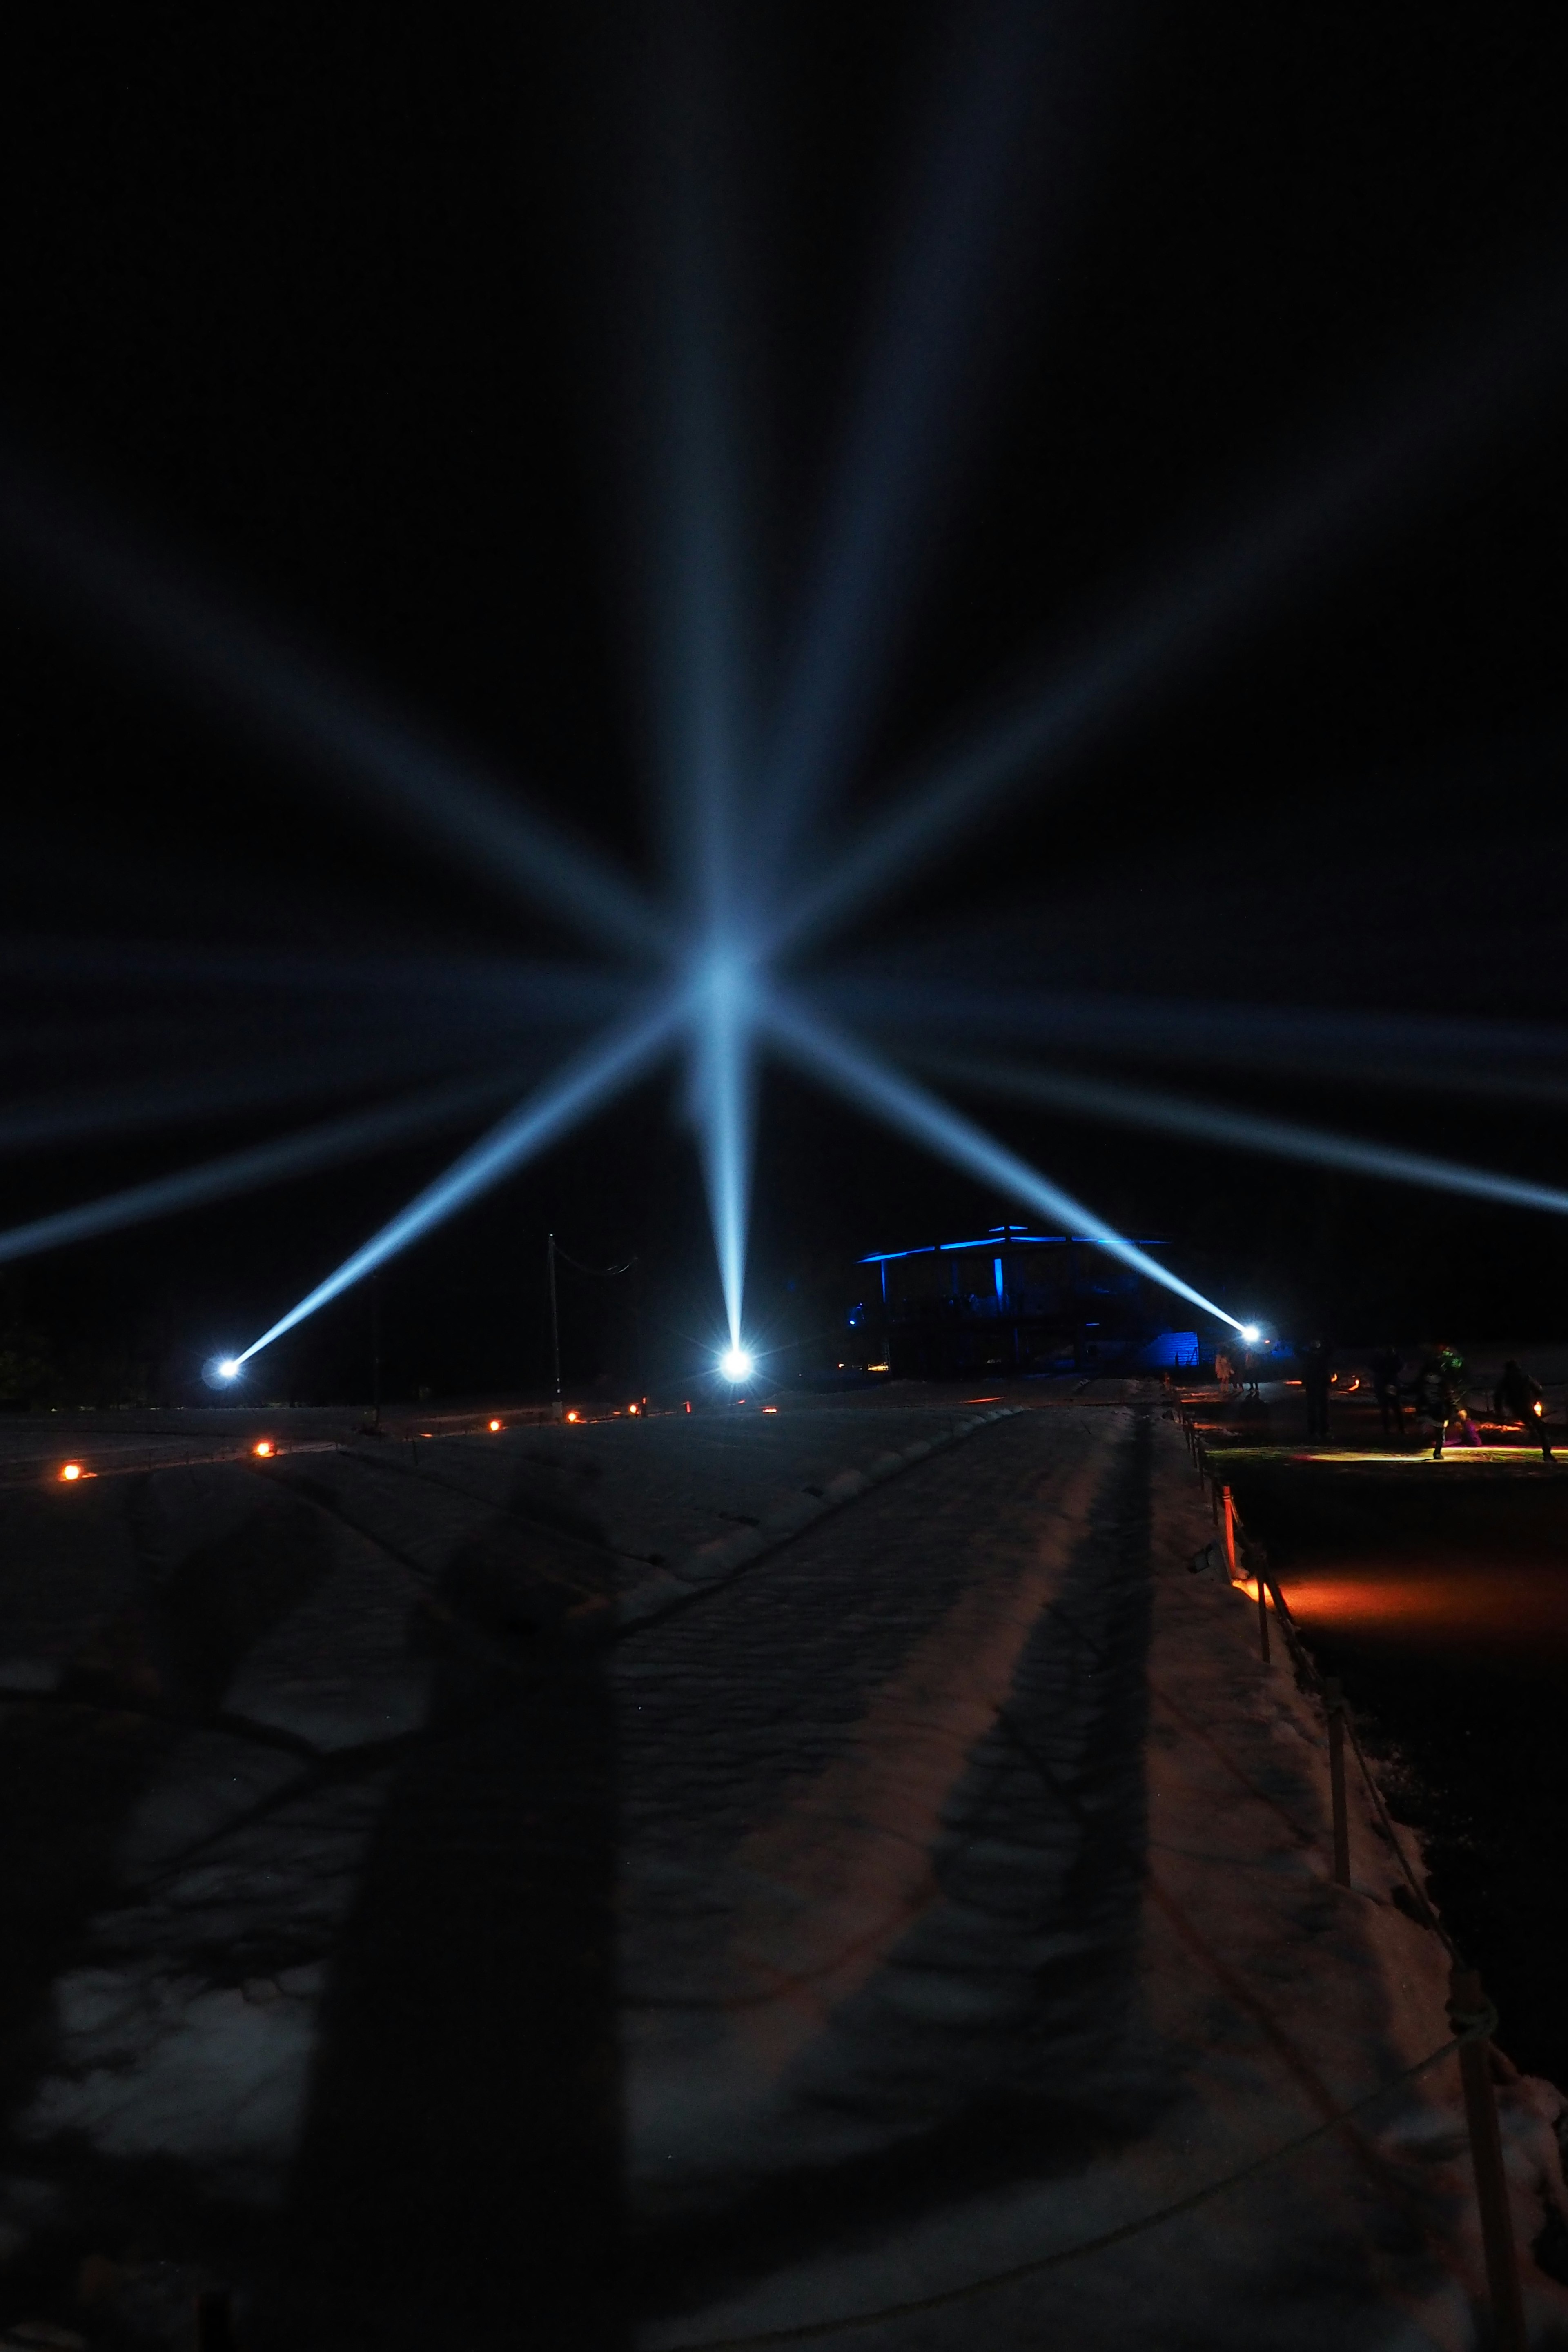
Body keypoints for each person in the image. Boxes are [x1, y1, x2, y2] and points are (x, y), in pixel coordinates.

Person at [1493, 1358, 1555, 1464]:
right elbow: (1539, 1390)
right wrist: (1536, 1399)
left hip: (1517, 1408)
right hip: (1526, 1407)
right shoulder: (1525, 1378)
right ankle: (1547, 1453)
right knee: (1541, 1429)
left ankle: (1534, 1435)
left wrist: (1499, 1410)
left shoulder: (1505, 1381)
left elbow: (1498, 1396)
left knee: (1534, 1426)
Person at [1416, 1344, 1464, 1459]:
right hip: (1435, 1410)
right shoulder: (1440, 1382)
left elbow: (1450, 1395)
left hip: (1435, 1410)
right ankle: (1436, 1450)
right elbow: (1450, 1395)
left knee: (1437, 1431)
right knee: (1439, 1432)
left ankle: (1435, 1449)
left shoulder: (1433, 1381)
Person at [1300, 1337, 1332, 1441]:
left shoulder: (1318, 1355)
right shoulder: (1311, 1355)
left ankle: (1319, 1431)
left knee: (1319, 1408)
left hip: (1318, 1383)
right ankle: (1317, 1431)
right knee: (1316, 1408)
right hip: (1315, 1383)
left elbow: (1331, 1349)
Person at [1371, 1345, 1405, 1439]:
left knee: (1390, 1407)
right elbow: (1400, 1366)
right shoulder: (1389, 1356)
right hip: (1389, 1383)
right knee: (1393, 1407)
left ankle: (1393, 1429)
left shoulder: (1381, 1356)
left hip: (1386, 1383)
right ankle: (1397, 1429)